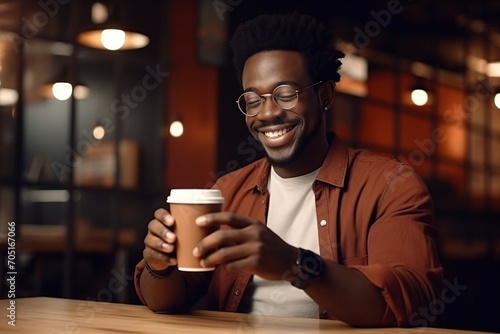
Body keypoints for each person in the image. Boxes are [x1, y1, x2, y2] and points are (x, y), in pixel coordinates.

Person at [135, 12, 443, 327]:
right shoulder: (226, 192)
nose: (267, 113)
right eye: (253, 101)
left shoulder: (390, 186)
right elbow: (166, 301)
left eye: (285, 95)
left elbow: (407, 300)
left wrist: (294, 264)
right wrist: (159, 265)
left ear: (324, 95)